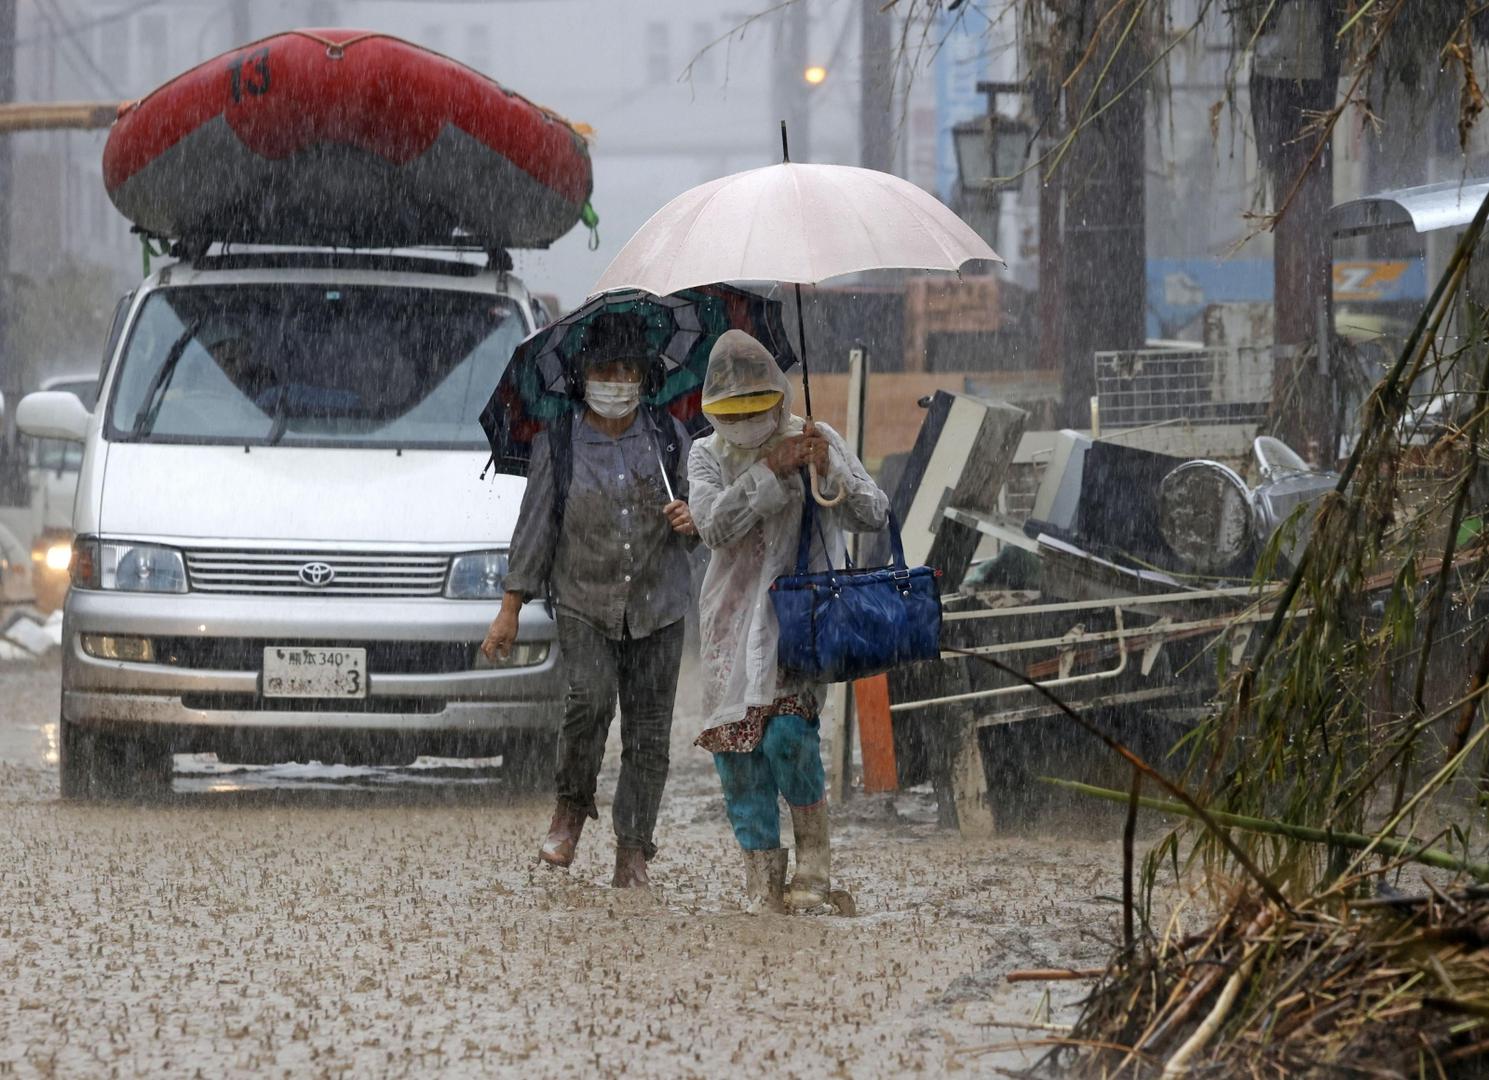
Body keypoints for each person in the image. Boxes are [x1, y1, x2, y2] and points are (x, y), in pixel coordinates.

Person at [482, 313, 696, 888]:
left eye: (629, 370)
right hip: (583, 599)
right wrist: (510, 609)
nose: (617, 380)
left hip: (660, 604)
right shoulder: (558, 441)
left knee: (650, 732)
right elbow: (533, 532)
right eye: (605, 369)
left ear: (645, 377)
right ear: (583, 376)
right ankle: (570, 809)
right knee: (590, 701)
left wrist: (692, 519)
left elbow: (709, 515)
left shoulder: (669, 437)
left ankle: (633, 847)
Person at [687, 330, 889, 912]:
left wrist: (829, 471)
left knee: (787, 737)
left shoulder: (815, 436)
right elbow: (713, 528)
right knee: (737, 757)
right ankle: (762, 884)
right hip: (729, 627)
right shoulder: (706, 455)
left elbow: (873, 514)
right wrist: (766, 474)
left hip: (798, 626)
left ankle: (815, 870)